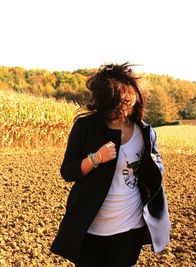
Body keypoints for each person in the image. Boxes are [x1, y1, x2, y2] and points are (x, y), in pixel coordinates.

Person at [50, 63, 170, 267]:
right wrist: (95, 158)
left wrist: (154, 165)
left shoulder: (145, 131)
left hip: (130, 227)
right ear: (106, 98)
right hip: (92, 228)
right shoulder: (86, 127)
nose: (127, 101)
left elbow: (155, 167)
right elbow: (67, 171)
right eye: (121, 97)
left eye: (130, 95)